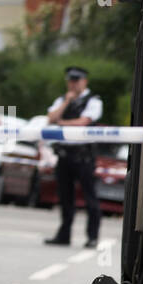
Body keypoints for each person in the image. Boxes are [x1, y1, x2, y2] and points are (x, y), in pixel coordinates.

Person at [43, 66, 103, 248]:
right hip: (65, 155)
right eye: (70, 81)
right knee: (65, 197)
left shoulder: (94, 101)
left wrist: (63, 123)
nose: (73, 84)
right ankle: (64, 235)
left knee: (90, 197)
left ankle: (92, 237)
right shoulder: (62, 99)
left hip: (84, 156)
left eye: (77, 80)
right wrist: (66, 103)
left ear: (85, 81)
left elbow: (84, 122)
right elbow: (51, 119)